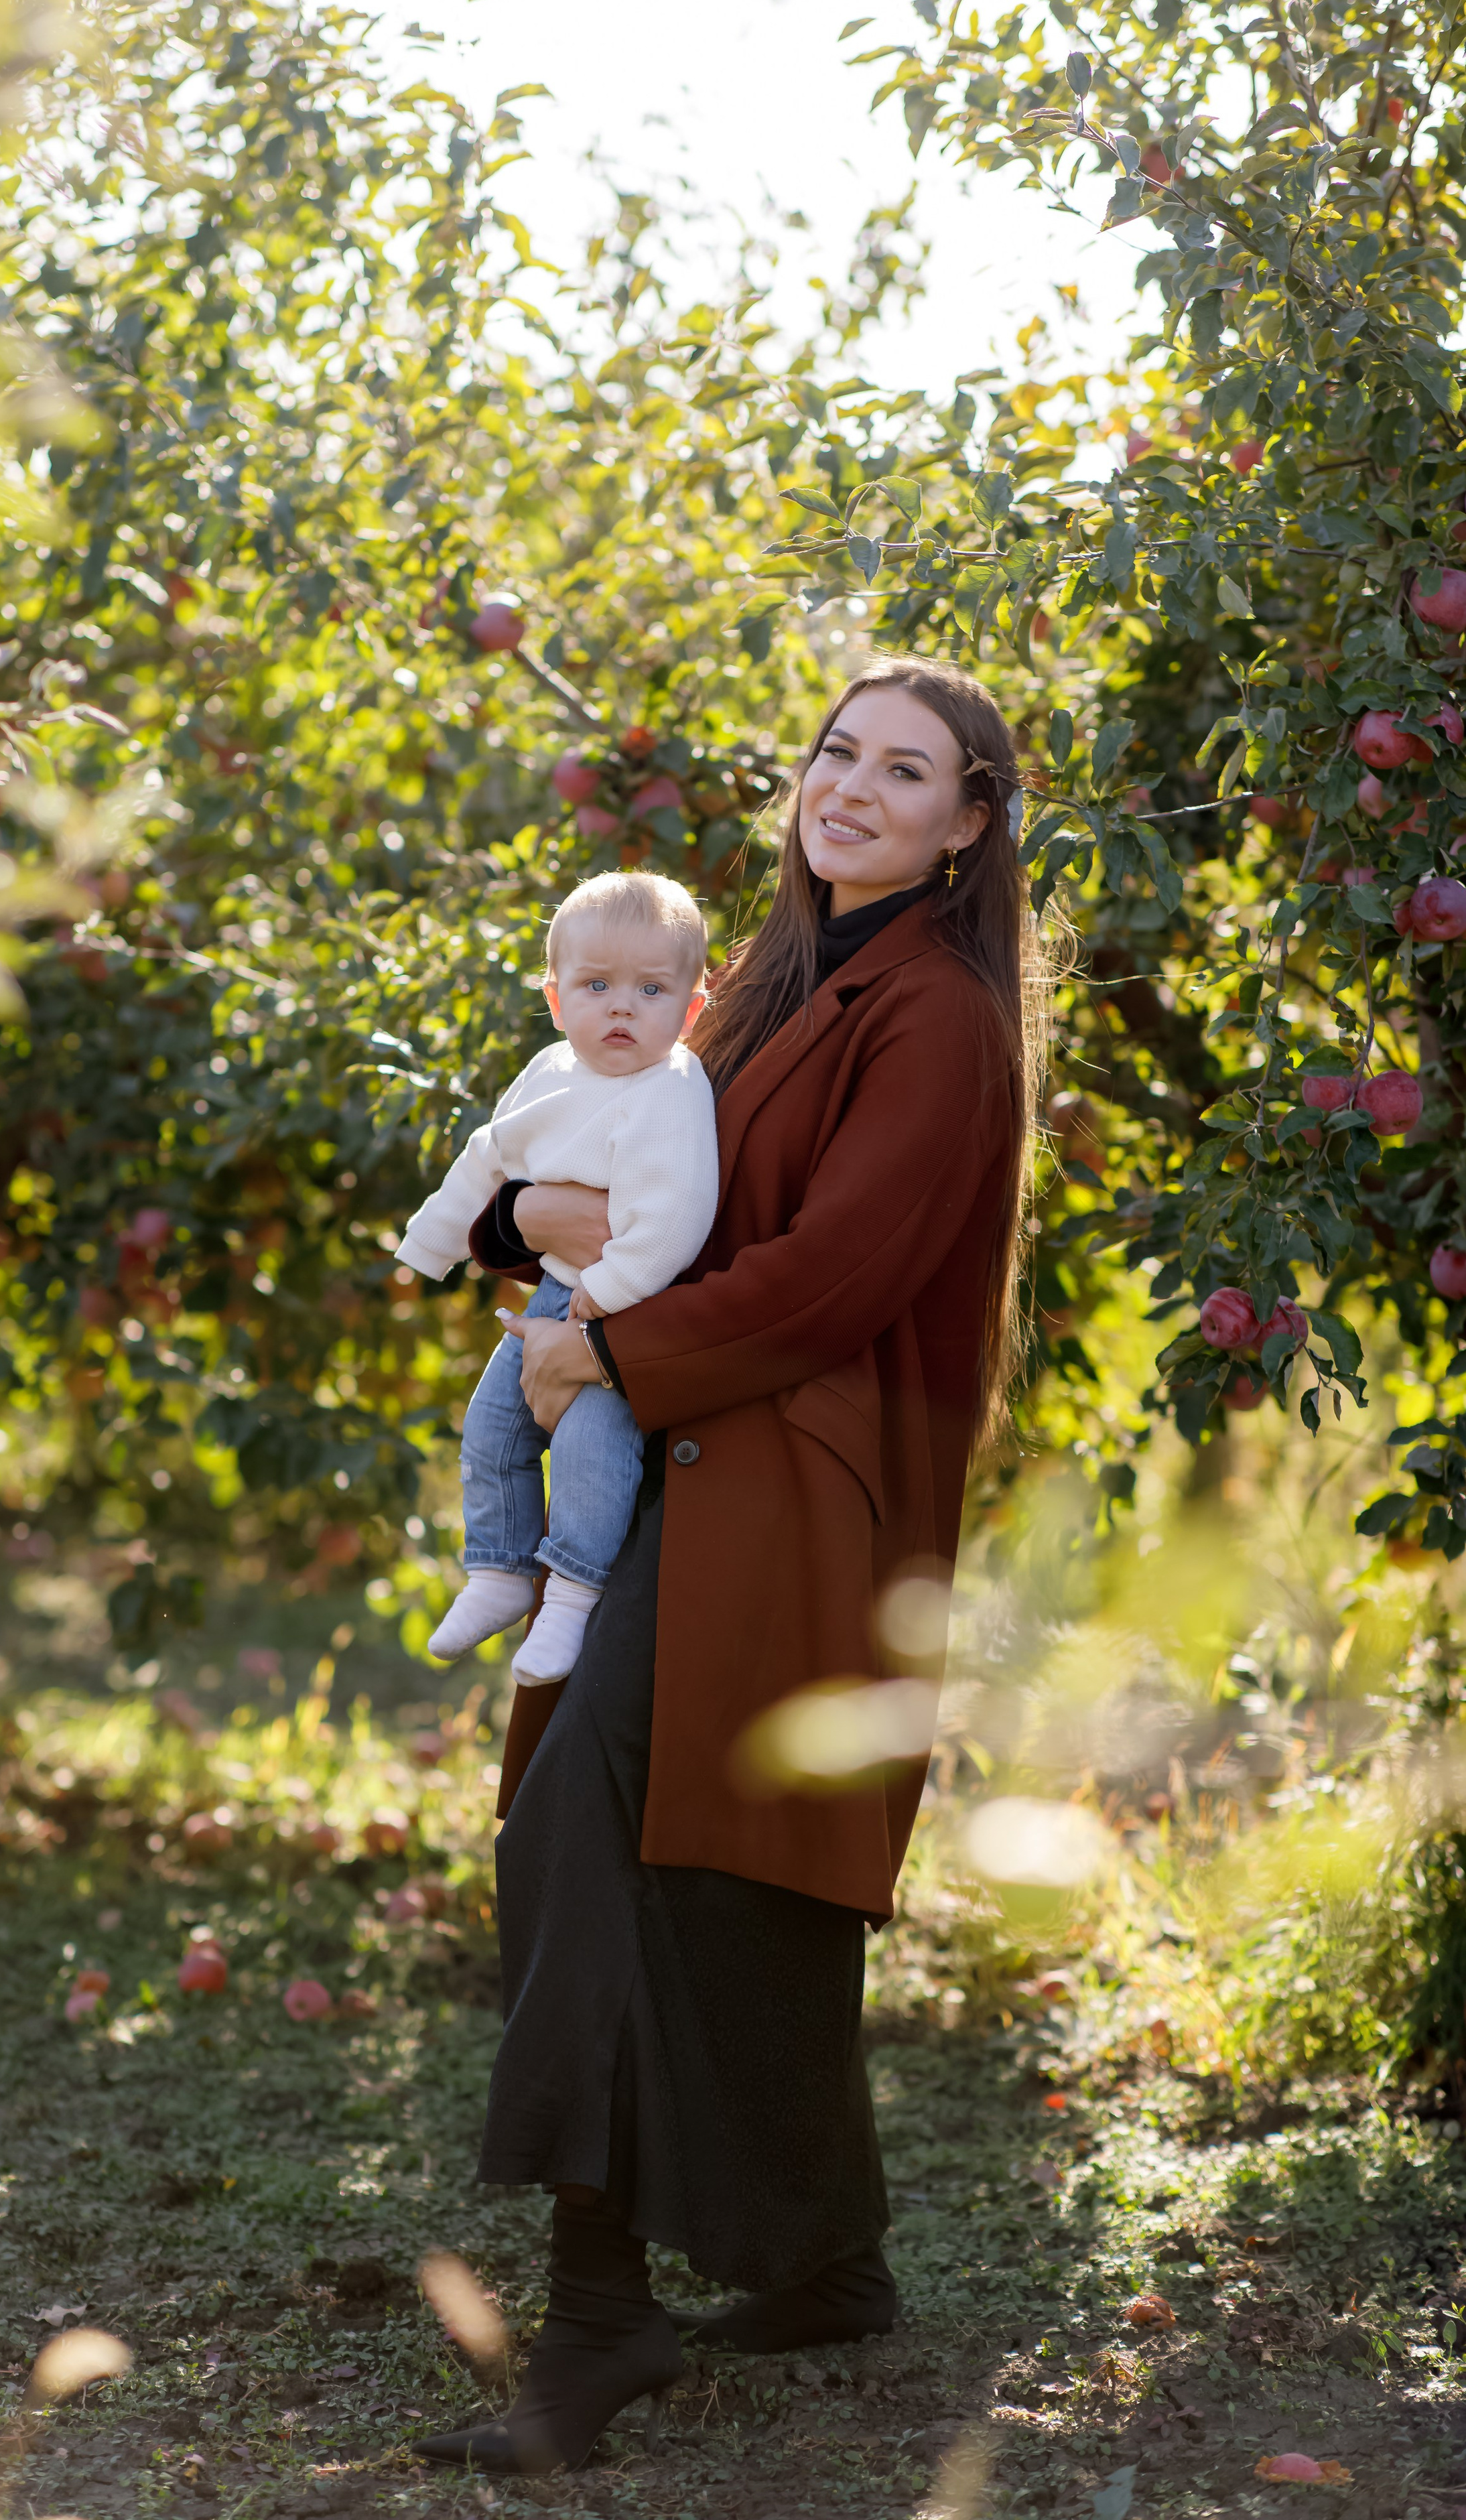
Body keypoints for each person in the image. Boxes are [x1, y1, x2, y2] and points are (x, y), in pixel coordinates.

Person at [414, 655, 1049, 2476]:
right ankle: (823, 2263)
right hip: (691, 1451)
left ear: (968, 822)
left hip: (790, 1485)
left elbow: (834, 1275)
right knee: (683, 1855)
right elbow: (620, 1164)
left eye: (903, 769)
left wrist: (604, 1349)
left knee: (600, 1818)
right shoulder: (765, 977)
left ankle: (602, 2320)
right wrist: (529, 1228)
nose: (849, 785)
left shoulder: (936, 1017)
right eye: (837, 751)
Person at [395, 870, 718, 1686]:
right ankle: (499, 1570)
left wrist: (602, 1299)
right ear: (555, 999)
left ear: (688, 1011)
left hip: (629, 1306)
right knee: (494, 1426)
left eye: (650, 990)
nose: (620, 1007)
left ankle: (571, 1596)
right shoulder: (548, 1073)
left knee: (589, 1449)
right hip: (554, 1292)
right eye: (597, 985)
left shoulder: (673, 1092)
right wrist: (430, 1245)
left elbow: (674, 1222)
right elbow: (488, 1159)